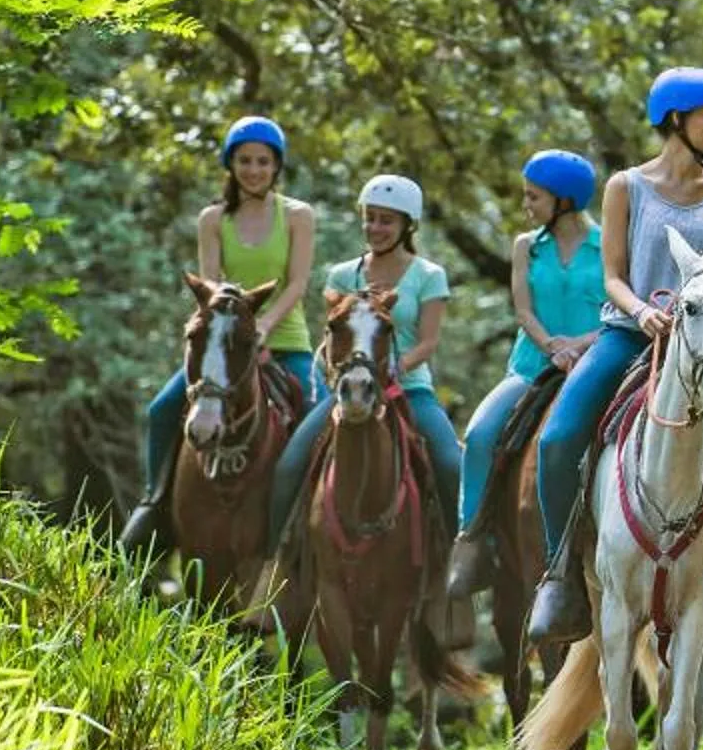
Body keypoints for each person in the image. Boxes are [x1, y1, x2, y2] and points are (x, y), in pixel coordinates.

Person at [523, 68, 703, 649]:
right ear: (676, 120)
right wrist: (641, 312)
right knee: (558, 438)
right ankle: (560, 575)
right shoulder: (627, 186)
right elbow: (615, 274)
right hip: (632, 334)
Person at [122, 114, 317, 553]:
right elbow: (209, 287)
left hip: (285, 342)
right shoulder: (213, 219)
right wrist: (236, 331)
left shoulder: (298, 216)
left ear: (276, 166)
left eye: (263, 162)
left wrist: (265, 326)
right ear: (231, 165)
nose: (254, 170)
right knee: (163, 407)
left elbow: (298, 284)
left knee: (317, 412)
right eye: (245, 160)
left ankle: (310, 517)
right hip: (227, 345)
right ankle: (155, 503)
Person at [266, 174, 463, 555]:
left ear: (408, 224)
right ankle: (274, 563)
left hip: (410, 388)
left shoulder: (428, 276)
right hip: (348, 389)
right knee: (290, 463)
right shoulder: (342, 275)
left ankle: (459, 560)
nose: (375, 228)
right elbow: (331, 336)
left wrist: (393, 368)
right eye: (370, 218)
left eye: (386, 220)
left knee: (451, 463)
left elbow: (428, 341)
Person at [446, 149, 606, 600]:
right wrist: (553, 346)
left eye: (534, 197)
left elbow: (616, 307)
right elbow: (522, 308)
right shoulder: (526, 246)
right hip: (534, 366)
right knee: (479, 433)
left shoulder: (609, 243)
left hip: (594, 364)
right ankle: (472, 541)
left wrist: (581, 345)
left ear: (565, 200)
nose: (526, 206)